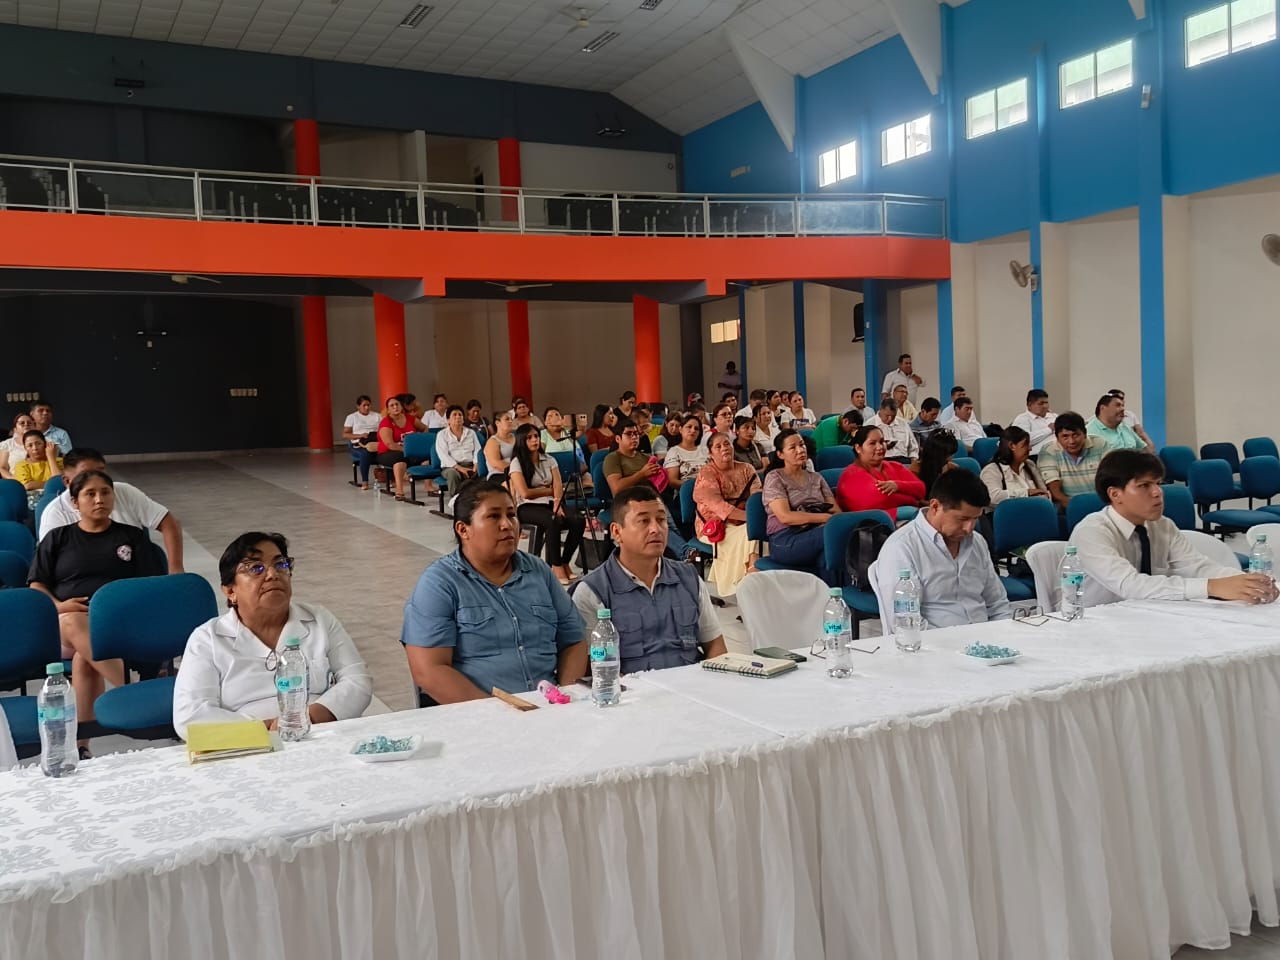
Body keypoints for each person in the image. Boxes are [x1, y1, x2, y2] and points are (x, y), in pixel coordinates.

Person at [171, 532, 373, 741]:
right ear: (231, 591)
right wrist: (267, 729)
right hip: (244, 744)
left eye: (280, 565)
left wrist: (307, 717)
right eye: (256, 568)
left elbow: (357, 681)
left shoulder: (319, 619)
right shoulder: (208, 639)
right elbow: (189, 718)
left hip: (318, 734)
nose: (272, 574)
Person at [401, 480, 587, 703]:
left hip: (548, 707)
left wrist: (565, 695)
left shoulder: (538, 571)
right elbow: (429, 671)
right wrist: (497, 714)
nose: (507, 525)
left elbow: (574, 639)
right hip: (479, 714)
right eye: (493, 516)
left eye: (511, 515)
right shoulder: (440, 583)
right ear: (463, 529)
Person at [27, 470, 165, 756]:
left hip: (119, 625)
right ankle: (129, 692)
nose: (99, 499)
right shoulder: (57, 538)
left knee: (84, 661)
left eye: (105, 492)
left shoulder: (131, 537)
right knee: (74, 621)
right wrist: (58, 605)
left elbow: (148, 587)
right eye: (90, 494)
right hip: (65, 624)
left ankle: (79, 746)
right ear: (75, 502)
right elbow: (36, 585)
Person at [1071, 450, 1277, 607]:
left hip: (1149, 615)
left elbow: (1198, 567)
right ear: (1115, 494)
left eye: (1158, 483)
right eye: (1144, 486)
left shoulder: (1161, 525)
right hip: (1095, 623)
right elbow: (1130, 585)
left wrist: (1248, 582)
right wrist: (1211, 586)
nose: (1157, 493)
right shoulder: (1091, 532)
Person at [573, 485, 727, 672]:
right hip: (633, 695)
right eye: (643, 521)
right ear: (616, 531)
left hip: (690, 689)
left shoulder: (688, 579)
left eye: (661, 520)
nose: (656, 529)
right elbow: (594, 670)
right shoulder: (594, 590)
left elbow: (715, 646)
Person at [874, 469, 1012, 628]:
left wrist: (1003, 634)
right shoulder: (901, 547)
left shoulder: (977, 542)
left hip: (985, 638)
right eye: (963, 519)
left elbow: (997, 602)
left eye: (975, 519)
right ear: (935, 506)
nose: (969, 528)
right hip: (935, 645)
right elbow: (905, 621)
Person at [39, 448, 185, 573]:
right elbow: (48, 566)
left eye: (101, 474)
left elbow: (168, 522)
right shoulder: (55, 514)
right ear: (67, 481)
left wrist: (176, 568)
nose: (95, 480)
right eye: (85, 476)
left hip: (131, 577)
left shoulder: (124, 492)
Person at [603, 418, 695, 560]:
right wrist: (642, 474)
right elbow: (616, 488)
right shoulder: (613, 458)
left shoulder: (646, 457)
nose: (634, 437)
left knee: (671, 526)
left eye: (636, 434)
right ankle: (686, 553)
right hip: (629, 501)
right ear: (618, 438)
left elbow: (659, 483)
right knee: (661, 525)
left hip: (652, 498)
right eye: (629, 434)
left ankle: (683, 555)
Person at [509, 424, 585, 584]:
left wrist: (557, 501)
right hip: (527, 506)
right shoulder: (517, 462)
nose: (534, 440)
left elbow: (558, 485)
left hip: (552, 503)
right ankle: (555, 566)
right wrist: (548, 491)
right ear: (522, 441)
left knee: (578, 519)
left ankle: (564, 562)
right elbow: (525, 493)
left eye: (536, 436)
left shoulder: (549, 459)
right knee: (553, 521)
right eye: (529, 438)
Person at [693, 432, 762, 595]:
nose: (724, 448)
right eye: (718, 446)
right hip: (714, 526)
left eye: (727, 444)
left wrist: (754, 518)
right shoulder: (706, 473)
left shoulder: (747, 468)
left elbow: (758, 497)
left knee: (760, 532)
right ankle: (752, 583)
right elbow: (719, 507)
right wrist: (752, 519)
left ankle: (751, 579)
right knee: (752, 533)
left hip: (745, 521)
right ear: (711, 454)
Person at [762, 429, 841, 567]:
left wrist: (836, 521)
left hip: (817, 532)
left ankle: (834, 588)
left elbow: (836, 511)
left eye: (802, 445)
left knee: (826, 556)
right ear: (780, 454)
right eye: (792, 447)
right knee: (833, 534)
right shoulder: (775, 477)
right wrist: (825, 519)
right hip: (786, 538)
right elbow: (785, 516)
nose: (800, 450)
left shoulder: (816, 477)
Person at [836, 424, 926, 522]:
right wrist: (914, 501)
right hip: (870, 524)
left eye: (882, 442)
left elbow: (921, 489)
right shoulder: (851, 474)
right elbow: (882, 499)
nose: (880, 447)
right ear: (858, 448)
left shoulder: (895, 465)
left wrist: (897, 486)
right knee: (914, 512)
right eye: (872, 443)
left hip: (899, 516)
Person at [1039, 411, 1110, 511]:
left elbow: (1110, 479)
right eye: (1065, 436)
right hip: (1069, 507)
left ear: (1085, 434)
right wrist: (1074, 506)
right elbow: (1055, 490)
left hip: (1101, 504)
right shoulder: (1049, 451)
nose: (1071, 441)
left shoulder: (1101, 444)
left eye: (1075, 435)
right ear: (1057, 438)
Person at [980, 425, 1049, 506]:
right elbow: (993, 497)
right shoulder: (992, 470)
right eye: (1026, 445)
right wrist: (1027, 492)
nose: (1030, 449)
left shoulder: (1030, 465)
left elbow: (1043, 491)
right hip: (1007, 516)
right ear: (1012, 446)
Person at [376, 395, 422, 500]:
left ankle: (428, 486)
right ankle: (399, 490)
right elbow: (390, 444)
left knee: (426, 456)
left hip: (408, 451)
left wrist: (420, 441)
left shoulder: (410, 419)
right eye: (392, 406)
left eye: (397, 404)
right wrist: (408, 450)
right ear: (388, 410)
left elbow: (424, 428)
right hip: (387, 452)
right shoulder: (386, 422)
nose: (395, 407)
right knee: (399, 459)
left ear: (401, 407)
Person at [435, 404, 482, 500]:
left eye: (460, 415)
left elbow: (478, 450)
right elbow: (443, 455)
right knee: (453, 474)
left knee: (482, 472)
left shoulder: (471, 433)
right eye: (454, 415)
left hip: (470, 464)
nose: (458, 417)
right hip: (451, 467)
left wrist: (476, 464)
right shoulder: (442, 435)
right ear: (448, 420)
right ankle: (456, 501)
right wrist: (460, 468)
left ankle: (476, 501)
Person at [1088, 394, 1154, 452]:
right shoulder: (1089, 432)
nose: (1123, 409)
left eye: (1123, 405)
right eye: (1118, 405)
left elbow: (1144, 449)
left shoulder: (1125, 428)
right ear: (1102, 408)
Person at [342, 395, 382, 490]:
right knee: (365, 454)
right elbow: (345, 434)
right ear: (358, 406)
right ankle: (365, 481)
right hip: (358, 444)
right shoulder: (352, 417)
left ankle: (391, 479)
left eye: (368, 405)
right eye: (364, 405)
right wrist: (360, 435)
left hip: (374, 442)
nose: (367, 407)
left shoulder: (377, 416)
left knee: (388, 451)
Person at [13, 431, 62, 507]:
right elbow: (27, 486)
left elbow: (59, 483)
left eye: (38, 444)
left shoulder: (59, 461)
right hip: (32, 503)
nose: (35, 448)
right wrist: (51, 484)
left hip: (57, 499)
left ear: (45, 444)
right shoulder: (21, 465)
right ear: (25, 448)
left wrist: (51, 458)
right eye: (30, 445)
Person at [663, 414, 709, 491]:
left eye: (696, 428)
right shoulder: (674, 451)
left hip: (709, 490)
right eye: (689, 427)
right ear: (680, 429)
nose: (693, 430)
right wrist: (697, 486)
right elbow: (672, 481)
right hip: (687, 491)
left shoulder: (706, 450)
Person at [870, 398, 919, 463]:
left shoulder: (903, 423)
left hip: (903, 460)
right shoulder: (870, 425)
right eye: (887, 415)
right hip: (882, 461)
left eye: (893, 416)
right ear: (881, 410)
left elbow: (913, 446)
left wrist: (913, 459)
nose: (890, 419)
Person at [1010, 389, 1057, 456]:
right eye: (1041, 403)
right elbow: (1023, 441)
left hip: (1060, 452)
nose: (1045, 406)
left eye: (1046, 403)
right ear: (1029, 405)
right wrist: (1049, 430)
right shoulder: (1023, 419)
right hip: (1037, 456)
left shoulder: (1054, 416)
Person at [914, 431, 959, 495]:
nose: (950, 458)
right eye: (948, 455)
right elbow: (917, 499)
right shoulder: (916, 469)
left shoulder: (951, 467)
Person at [0, 412, 36, 480]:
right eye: (22, 423)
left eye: (29, 423)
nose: (26, 425)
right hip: (14, 481)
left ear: (34, 427)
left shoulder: (44, 442)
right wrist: (14, 479)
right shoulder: (7, 444)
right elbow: (3, 468)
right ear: (15, 429)